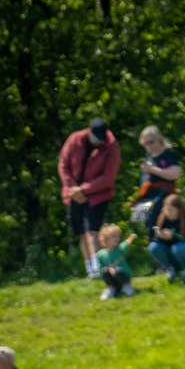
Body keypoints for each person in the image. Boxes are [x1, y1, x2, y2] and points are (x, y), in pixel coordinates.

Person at [58, 118, 122, 278]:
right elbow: (63, 165)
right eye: (97, 137)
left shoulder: (111, 145)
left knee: (92, 231)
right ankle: (90, 269)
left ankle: (99, 267)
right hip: (73, 194)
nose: (100, 141)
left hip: (98, 194)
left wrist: (84, 190)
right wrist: (73, 189)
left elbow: (108, 176)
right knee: (81, 232)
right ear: (89, 131)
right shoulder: (75, 139)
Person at [129, 125, 182, 231]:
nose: (148, 146)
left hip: (164, 196)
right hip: (149, 196)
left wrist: (152, 169)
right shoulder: (149, 155)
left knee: (163, 225)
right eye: (145, 144)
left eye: (151, 142)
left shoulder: (168, 153)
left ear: (158, 139)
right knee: (148, 226)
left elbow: (175, 174)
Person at [147, 194, 185, 281]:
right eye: (166, 210)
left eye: (171, 210)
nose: (168, 213)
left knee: (178, 248)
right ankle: (170, 269)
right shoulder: (163, 218)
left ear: (179, 209)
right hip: (174, 255)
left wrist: (173, 236)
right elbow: (159, 243)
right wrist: (160, 236)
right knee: (153, 247)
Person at [94, 224, 136, 300]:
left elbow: (126, 244)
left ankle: (126, 286)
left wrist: (131, 238)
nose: (118, 238)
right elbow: (99, 268)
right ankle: (111, 288)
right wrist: (107, 270)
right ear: (106, 239)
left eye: (118, 236)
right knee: (104, 271)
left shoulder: (120, 249)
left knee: (118, 270)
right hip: (112, 279)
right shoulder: (101, 254)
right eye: (114, 237)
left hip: (123, 276)